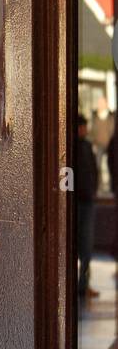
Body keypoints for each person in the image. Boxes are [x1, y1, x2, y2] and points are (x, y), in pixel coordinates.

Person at [76, 114, 99, 301]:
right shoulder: (74, 147)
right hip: (79, 202)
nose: (84, 130)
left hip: (87, 200)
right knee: (81, 244)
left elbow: (94, 171)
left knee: (87, 246)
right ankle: (79, 285)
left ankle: (83, 284)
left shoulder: (87, 146)